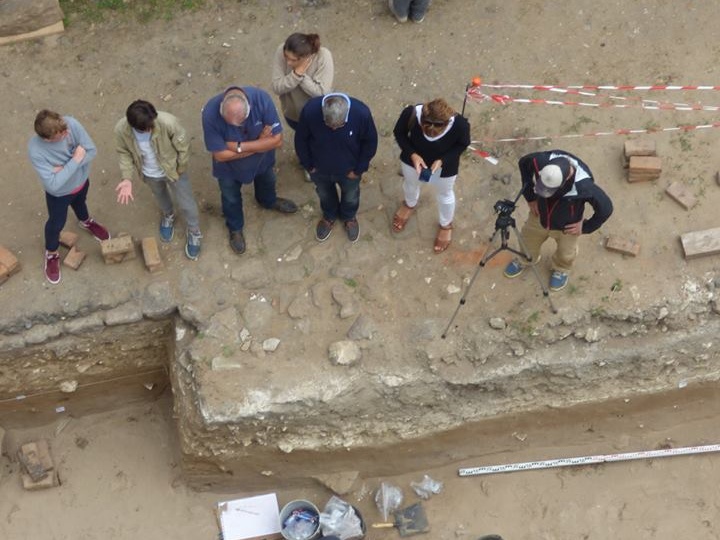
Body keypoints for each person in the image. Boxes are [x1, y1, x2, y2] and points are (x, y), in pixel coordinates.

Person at [202, 86, 298, 255]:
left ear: (249, 110)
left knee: (268, 182)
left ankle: (268, 201)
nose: (235, 128)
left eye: (239, 123)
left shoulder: (262, 100)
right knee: (230, 198)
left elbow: (277, 141)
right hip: (228, 170)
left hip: (263, 161)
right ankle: (235, 228)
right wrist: (260, 144)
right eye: (230, 125)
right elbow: (220, 156)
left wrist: (238, 147)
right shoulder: (210, 113)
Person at [503, 150, 613, 291]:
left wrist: (585, 227)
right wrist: (530, 197)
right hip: (539, 216)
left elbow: (606, 208)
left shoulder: (584, 186)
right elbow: (523, 163)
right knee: (527, 240)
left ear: (566, 180)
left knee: (566, 252)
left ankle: (561, 268)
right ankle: (525, 258)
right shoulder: (539, 161)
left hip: (567, 227)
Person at [28, 109, 110, 285]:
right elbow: (54, 184)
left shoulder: (70, 124)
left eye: (65, 130)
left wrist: (63, 169)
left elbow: (92, 151)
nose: (67, 135)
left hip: (81, 183)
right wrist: (75, 160)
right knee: (56, 223)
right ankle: (51, 253)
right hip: (59, 195)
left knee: (81, 204)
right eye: (61, 135)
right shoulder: (36, 150)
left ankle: (85, 221)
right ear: (47, 139)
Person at [114, 100, 203, 260]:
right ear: (133, 125)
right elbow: (123, 152)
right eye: (146, 128)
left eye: (152, 123)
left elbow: (183, 147)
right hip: (149, 173)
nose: (151, 128)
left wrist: (180, 169)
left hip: (173, 171)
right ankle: (168, 215)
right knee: (160, 196)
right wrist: (127, 178)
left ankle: (194, 230)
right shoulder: (121, 130)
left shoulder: (168, 122)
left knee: (186, 202)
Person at [295, 93, 378, 242]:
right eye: (329, 125)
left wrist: (359, 169)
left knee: (351, 196)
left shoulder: (361, 113)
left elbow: (370, 143)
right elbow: (301, 139)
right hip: (319, 170)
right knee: (325, 194)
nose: (333, 129)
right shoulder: (310, 111)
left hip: (350, 172)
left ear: (346, 115)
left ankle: (349, 216)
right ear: (323, 113)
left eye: (339, 126)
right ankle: (329, 215)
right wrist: (308, 165)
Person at [391, 98, 470, 253]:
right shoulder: (411, 113)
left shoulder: (460, 124)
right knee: (410, 184)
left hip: (444, 168)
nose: (432, 130)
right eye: (427, 125)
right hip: (412, 162)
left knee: (445, 194)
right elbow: (399, 133)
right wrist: (413, 154)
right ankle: (409, 204)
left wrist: (442, 160)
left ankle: (446, 224)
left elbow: (463, 144)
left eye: (438, 127)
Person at [271, 33, 334, 131]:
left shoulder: (323, 57)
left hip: (317, 115)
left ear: (307, 58)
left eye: (293, 60)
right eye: (286, 56)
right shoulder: (282, 50)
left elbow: (322, 93)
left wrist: (301, 75)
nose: (288, 62)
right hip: (293, 114)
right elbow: (277, 87)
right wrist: (295, 75)